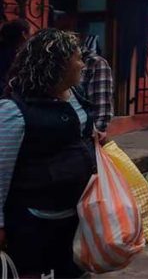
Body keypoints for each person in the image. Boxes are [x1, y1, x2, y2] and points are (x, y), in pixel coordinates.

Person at [0, 29, 97, 278]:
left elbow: (81, 131)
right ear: (59, 64)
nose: (83, 65)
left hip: (75, 214)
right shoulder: (13, 110)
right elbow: (1, 171)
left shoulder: (75, 96)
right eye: (77, 58)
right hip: (33, 220)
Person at [0, 20, 31, 94]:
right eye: (30, 32)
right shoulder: (11, 55)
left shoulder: (8, 50)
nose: (31, 36)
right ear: (24, 34)